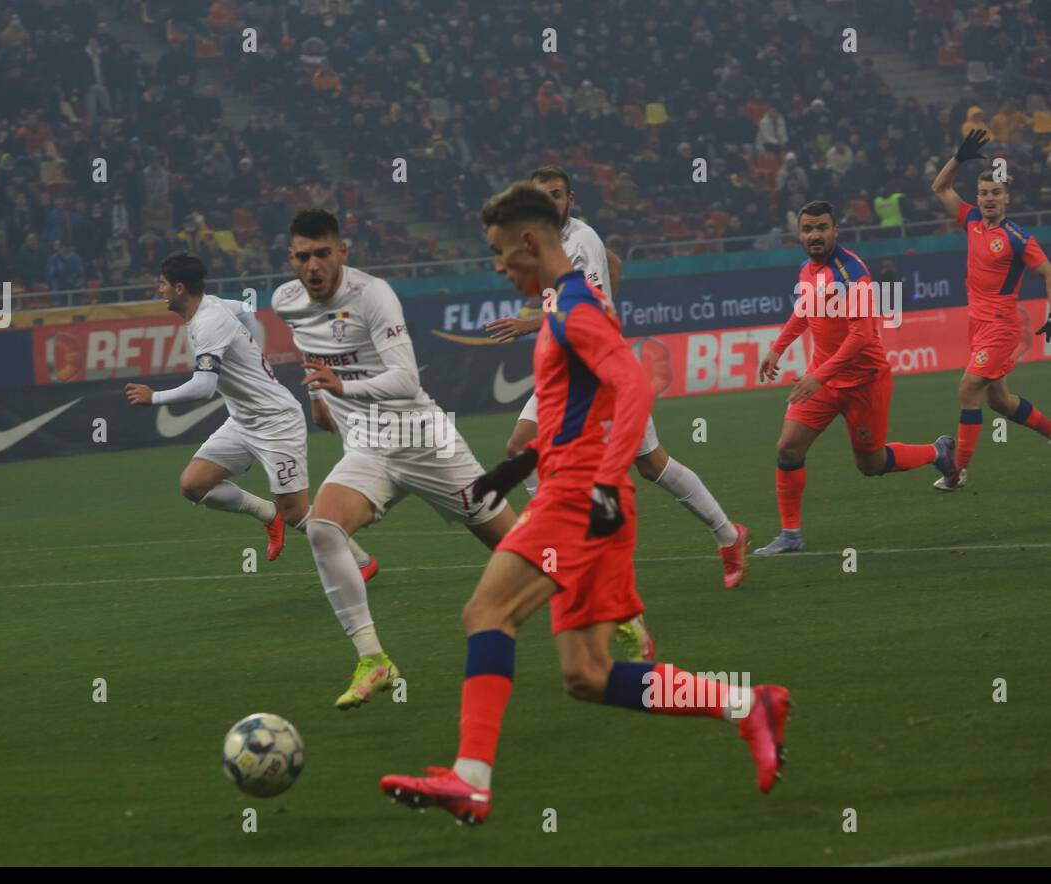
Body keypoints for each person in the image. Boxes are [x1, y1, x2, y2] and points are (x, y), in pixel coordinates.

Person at [380, 184, 789, 825]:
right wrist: (517, 466)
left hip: (577, 502)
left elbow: (632, 387)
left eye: (498, 252)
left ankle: (471, 779)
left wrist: (598, 482)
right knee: (588, 675)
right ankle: (747, 704)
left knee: (487, 612)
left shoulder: (575, 308)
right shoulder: (566, 305)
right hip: (586, 498)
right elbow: (583, 409)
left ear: (530, 242)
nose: (496, 267)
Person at [272, 209, 518, 709]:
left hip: (421, 437)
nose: (314, 265)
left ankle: (610, 606)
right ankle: (373, 659)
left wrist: (342, 386)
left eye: (323, 253)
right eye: (303, 256)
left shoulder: (373, 296)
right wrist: (321, 398)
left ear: (342, 252)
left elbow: (406, 380)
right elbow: (308, 343)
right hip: (366, 445)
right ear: (291, 259)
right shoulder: (285, 301)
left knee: (518, 549)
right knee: (322, 529)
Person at [487, 166, 749, 591]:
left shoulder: (580, 239)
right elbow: (614, 264)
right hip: (563, 369)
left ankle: (728, 535)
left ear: (570, 201)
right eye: (541, 196)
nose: (549, 202)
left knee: (651, 464)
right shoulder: (539, 242)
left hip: (600, 371)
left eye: (557, 194)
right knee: (519, 446)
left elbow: (582, 306)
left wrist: (528, 323)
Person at [124, 253, 375, 573]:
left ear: (180, 288)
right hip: (243, 420)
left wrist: (154, 397)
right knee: (193, 485)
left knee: (296, 512)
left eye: (162, 284)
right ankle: (269, 516)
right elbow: (245, 309)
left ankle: (361, 561)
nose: (158, 290)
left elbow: (203, 386)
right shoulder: (212, 305)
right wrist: (255, 352)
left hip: (277, 422)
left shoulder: (208, 322)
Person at [753, 201, 953, 555]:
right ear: (799, 233)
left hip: (864, 383)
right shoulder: (806, 270)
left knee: (871, 465)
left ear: (835, 231)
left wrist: (819, 376)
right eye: (808, 229)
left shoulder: (851, 274)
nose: (815, 235)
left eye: (822, 228)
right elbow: (804, 311)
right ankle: (790, 535)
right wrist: (777, 348)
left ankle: (935, 452)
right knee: (787, 447)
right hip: (823, 380)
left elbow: (862, 336)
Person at [928, 130, 1051, 490]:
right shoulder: (970, 222)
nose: (988, 199)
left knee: (968, 389)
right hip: (977, 325)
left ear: (1007, 198)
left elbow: (1047, 271)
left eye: (995, 193)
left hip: (1001, 325)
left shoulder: (1016, 238)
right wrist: (959, 158)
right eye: (983, 193)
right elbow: (940, 188)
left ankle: (957, 471)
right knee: (999, 401)